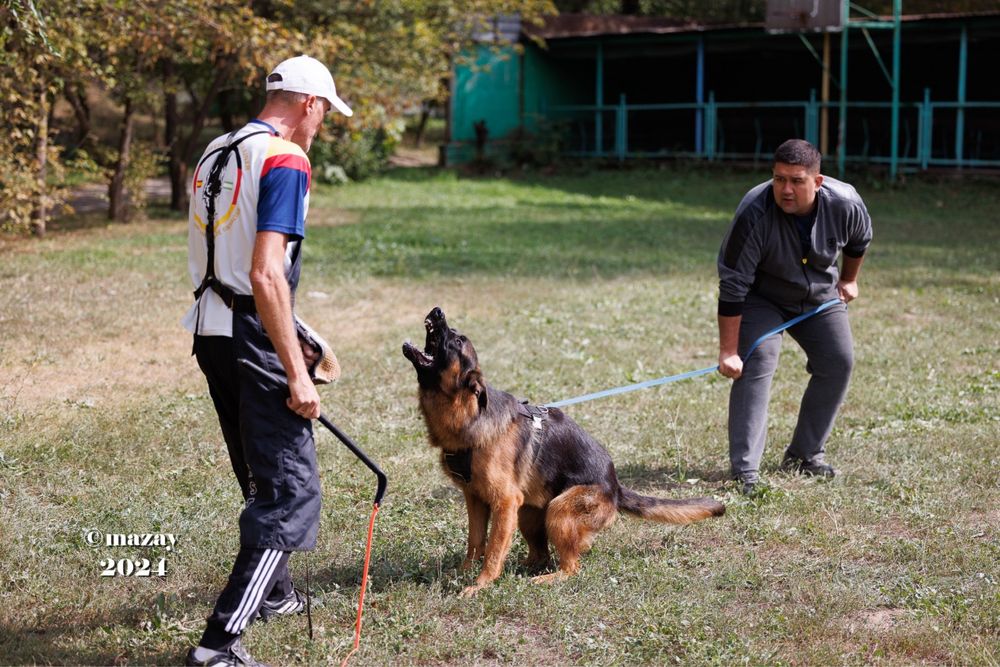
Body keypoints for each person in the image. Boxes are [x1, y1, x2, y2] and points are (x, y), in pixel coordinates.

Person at [181, 55, 353, 666]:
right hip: (252, 336)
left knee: (259, 471)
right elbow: (264, 272)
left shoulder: (215, 151)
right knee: (290, 493)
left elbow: (225, 261)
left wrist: (297, 334)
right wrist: (297, 372)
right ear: (309, 103)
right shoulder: (285, 157)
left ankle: (275, 594)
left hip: (211, 330)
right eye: (326, 111)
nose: (323, 124)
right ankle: (219, 646)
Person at [716, 139, 872, 495]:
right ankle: (746, 472)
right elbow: (733, 286)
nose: (785, 189)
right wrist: (729, 352)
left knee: (838, 361)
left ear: (817, 182)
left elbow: (859, 241)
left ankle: (804, 455)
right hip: (762, 298)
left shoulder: (845, 202)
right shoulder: (754, 211)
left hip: (819, 298)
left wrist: (849, 279)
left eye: (796, 181)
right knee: (758, 364)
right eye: (778, 179)